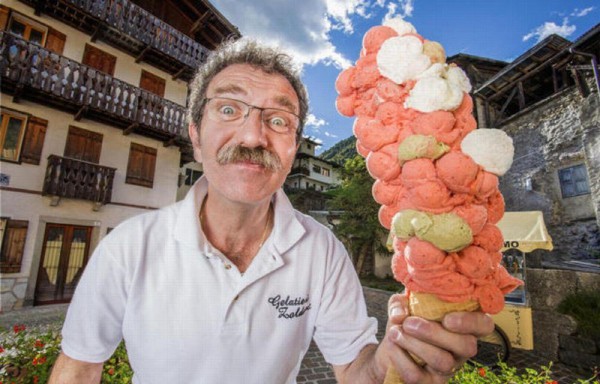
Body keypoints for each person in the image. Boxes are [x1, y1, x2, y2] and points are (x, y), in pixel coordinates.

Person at [48, 39, 493, 384]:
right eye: (228, 108)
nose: (254, 136)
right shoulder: (128, 246)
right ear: (195, 135)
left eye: (279, 120)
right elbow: (79, 368)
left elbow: (356, 369)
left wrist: (395, 359)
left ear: (293, 148)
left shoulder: (322, 251)